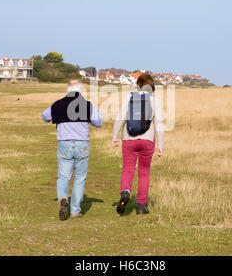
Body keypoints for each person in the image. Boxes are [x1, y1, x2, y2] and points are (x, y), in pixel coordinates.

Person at [42, 79, 103, 220]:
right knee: (80, 178)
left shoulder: (58, 104)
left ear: (67, 90)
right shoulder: (88, 105)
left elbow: (44, 117)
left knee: (63, 176)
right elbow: (99, 122)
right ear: (81, 90)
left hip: (64, 143)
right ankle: (75, 210)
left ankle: (63, 197)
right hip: (82, 144)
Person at [112, 73, 164, 215]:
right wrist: (160, 145)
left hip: (129, 139)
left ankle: (125, 192)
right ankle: (141, 205)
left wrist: (115, 137)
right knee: (144, 172)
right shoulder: (155, 101)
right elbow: (158, 124)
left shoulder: (129, 98)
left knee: (128, 169)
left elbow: (120, 118)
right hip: (147, 141)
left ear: (138, 84)